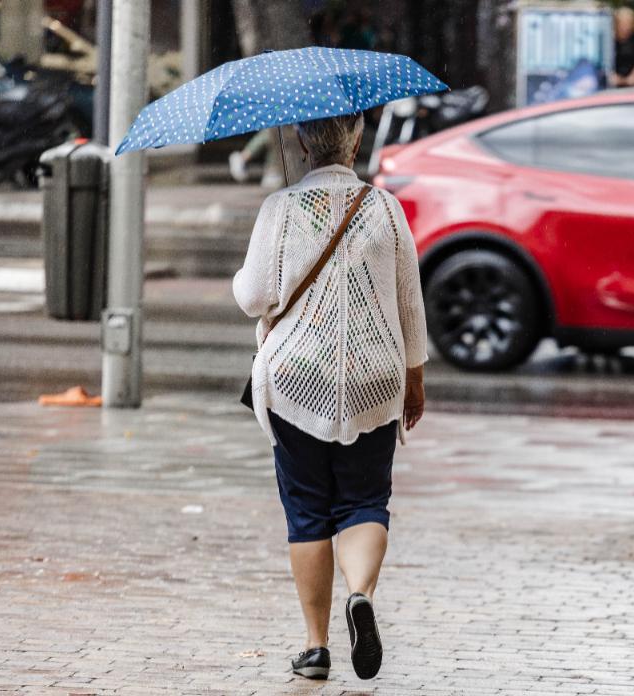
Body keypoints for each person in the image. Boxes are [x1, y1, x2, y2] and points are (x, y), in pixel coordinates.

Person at [233, 112, 428, 682]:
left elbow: (251, 298)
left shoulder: (279, 209)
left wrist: (248, 281)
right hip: (375, 377)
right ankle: (360, 594)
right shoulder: (386, 210)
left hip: (296, 380)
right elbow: (409, 302)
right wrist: (415, 381)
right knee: (365, 501)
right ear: (357, 140)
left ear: (298, 141)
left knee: (308, 510)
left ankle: (315, 647)